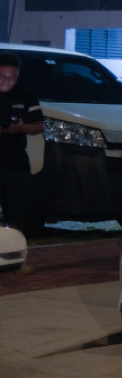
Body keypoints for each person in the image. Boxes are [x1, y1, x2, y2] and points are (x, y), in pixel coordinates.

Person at [0, 54, 45, 275]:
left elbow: (38, 126)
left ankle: (16, 261)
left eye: (12, 77)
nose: (6, 81)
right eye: (2, 76)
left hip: (14, 163)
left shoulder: (26, 96)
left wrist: (20, 128)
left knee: (15, 213)